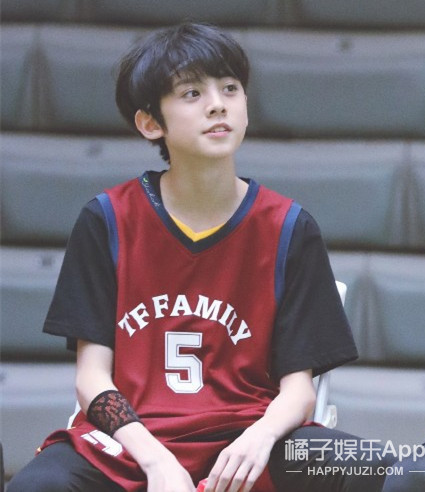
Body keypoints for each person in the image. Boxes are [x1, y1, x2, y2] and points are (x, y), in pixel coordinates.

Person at [8, 23, 392, 492]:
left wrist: (259, 439)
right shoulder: (107, 219)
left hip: (248, 439)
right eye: (192, 93)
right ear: (151, 123)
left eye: (230, 88)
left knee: (381, 468)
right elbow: (91, 378)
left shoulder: (290, 227)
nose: (218, 104)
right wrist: (157, 462)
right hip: (130, 445)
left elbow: (299, 390)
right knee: (38, 485)